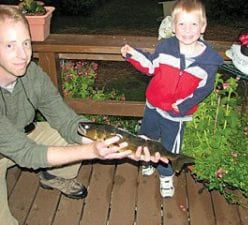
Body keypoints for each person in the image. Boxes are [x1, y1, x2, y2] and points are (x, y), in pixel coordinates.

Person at [0, 5, 168, 225]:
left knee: (66, 133)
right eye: (10, 45)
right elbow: (27, 154)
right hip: (14, 147)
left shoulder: (31, 74)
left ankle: (51, 177)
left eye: (26, 42)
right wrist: (91, 151)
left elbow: (68, 121)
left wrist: (124, 144)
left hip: (21, 135)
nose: (23, 55)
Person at [121, 0, 223, 198]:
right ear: (174, 27)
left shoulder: (208, 62)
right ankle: (148, 161)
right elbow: (150, 66)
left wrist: (184, 105)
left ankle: (166, 176)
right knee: (146, 136)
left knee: (170, 146)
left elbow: (204, 89)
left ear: (203, 27)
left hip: (176, 114)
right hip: (153, 106)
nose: (187, 30)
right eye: (181, 24)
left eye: (193, 24)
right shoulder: (165, 48)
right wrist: (132, 54)